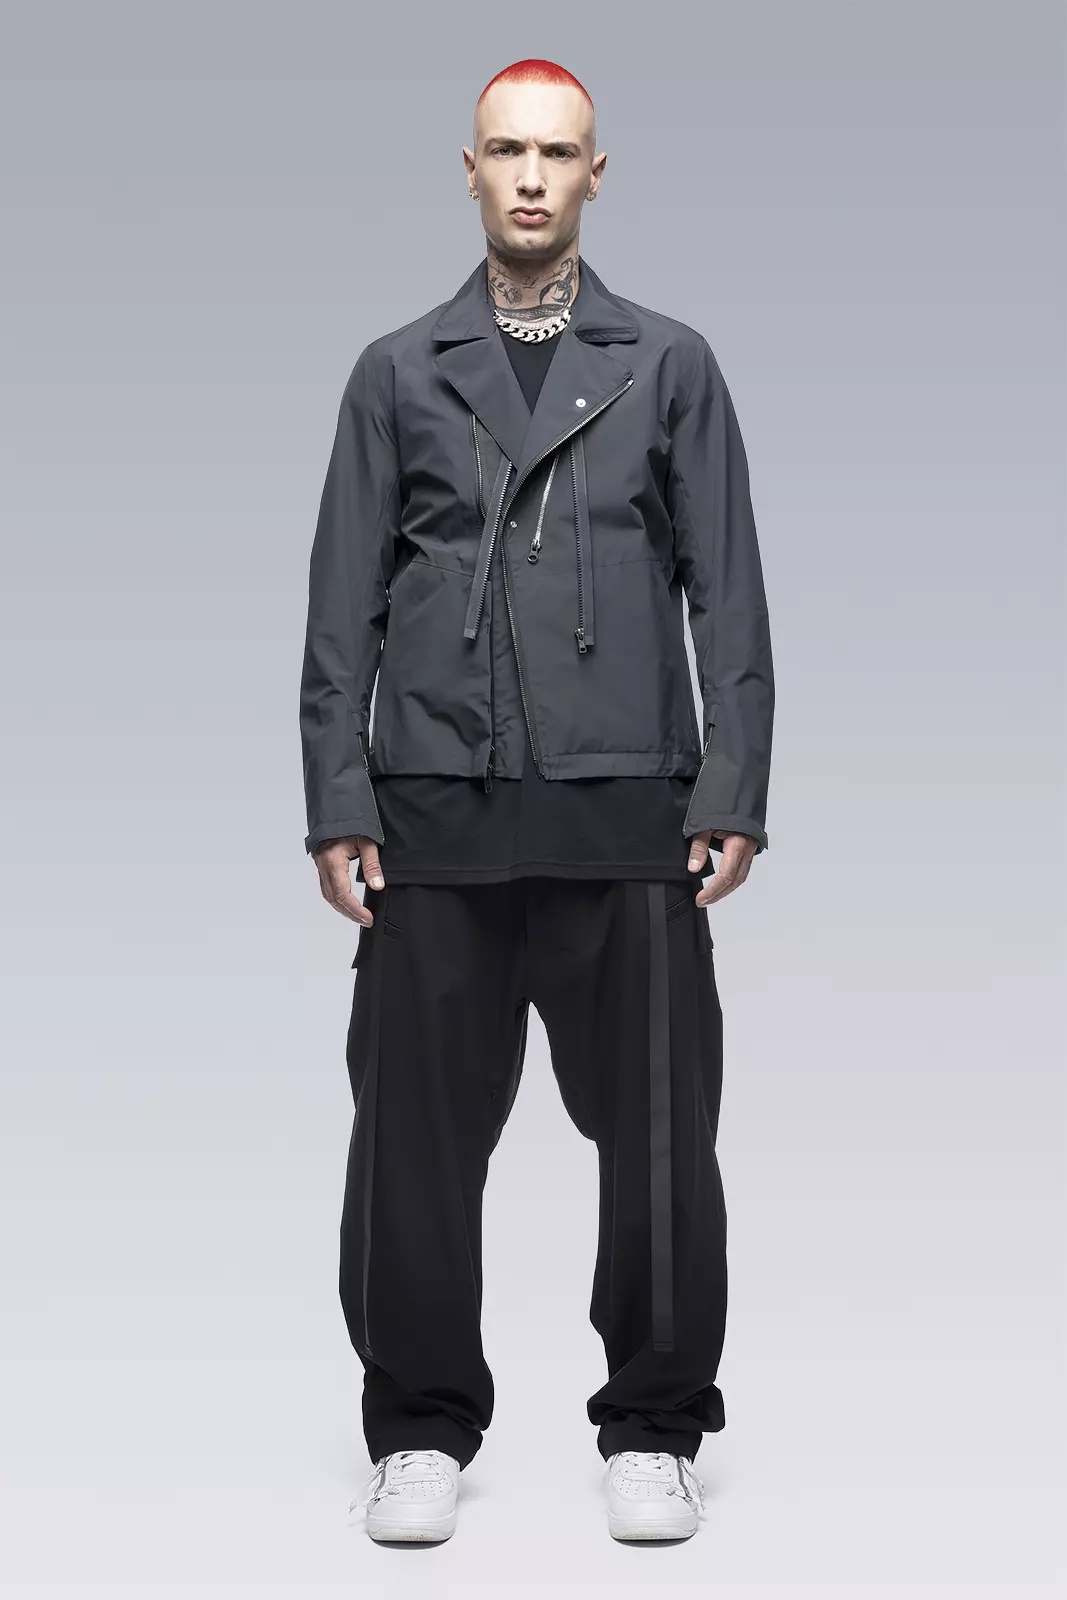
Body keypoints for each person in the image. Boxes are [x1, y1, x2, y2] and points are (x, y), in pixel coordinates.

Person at [299, 57, 774, 1545]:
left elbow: (729, 594)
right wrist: (337, 797)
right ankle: (418, 1428)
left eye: (555, 153)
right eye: (505, 149)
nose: (528, 176)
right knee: (410, 1146)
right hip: (435, 813)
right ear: (469, 169)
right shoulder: (396, 372)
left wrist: (734, 782)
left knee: (660, 1139)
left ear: (593, 175)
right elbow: (341, 607)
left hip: (628, 812)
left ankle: (654, 1426)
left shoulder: (669, 364)